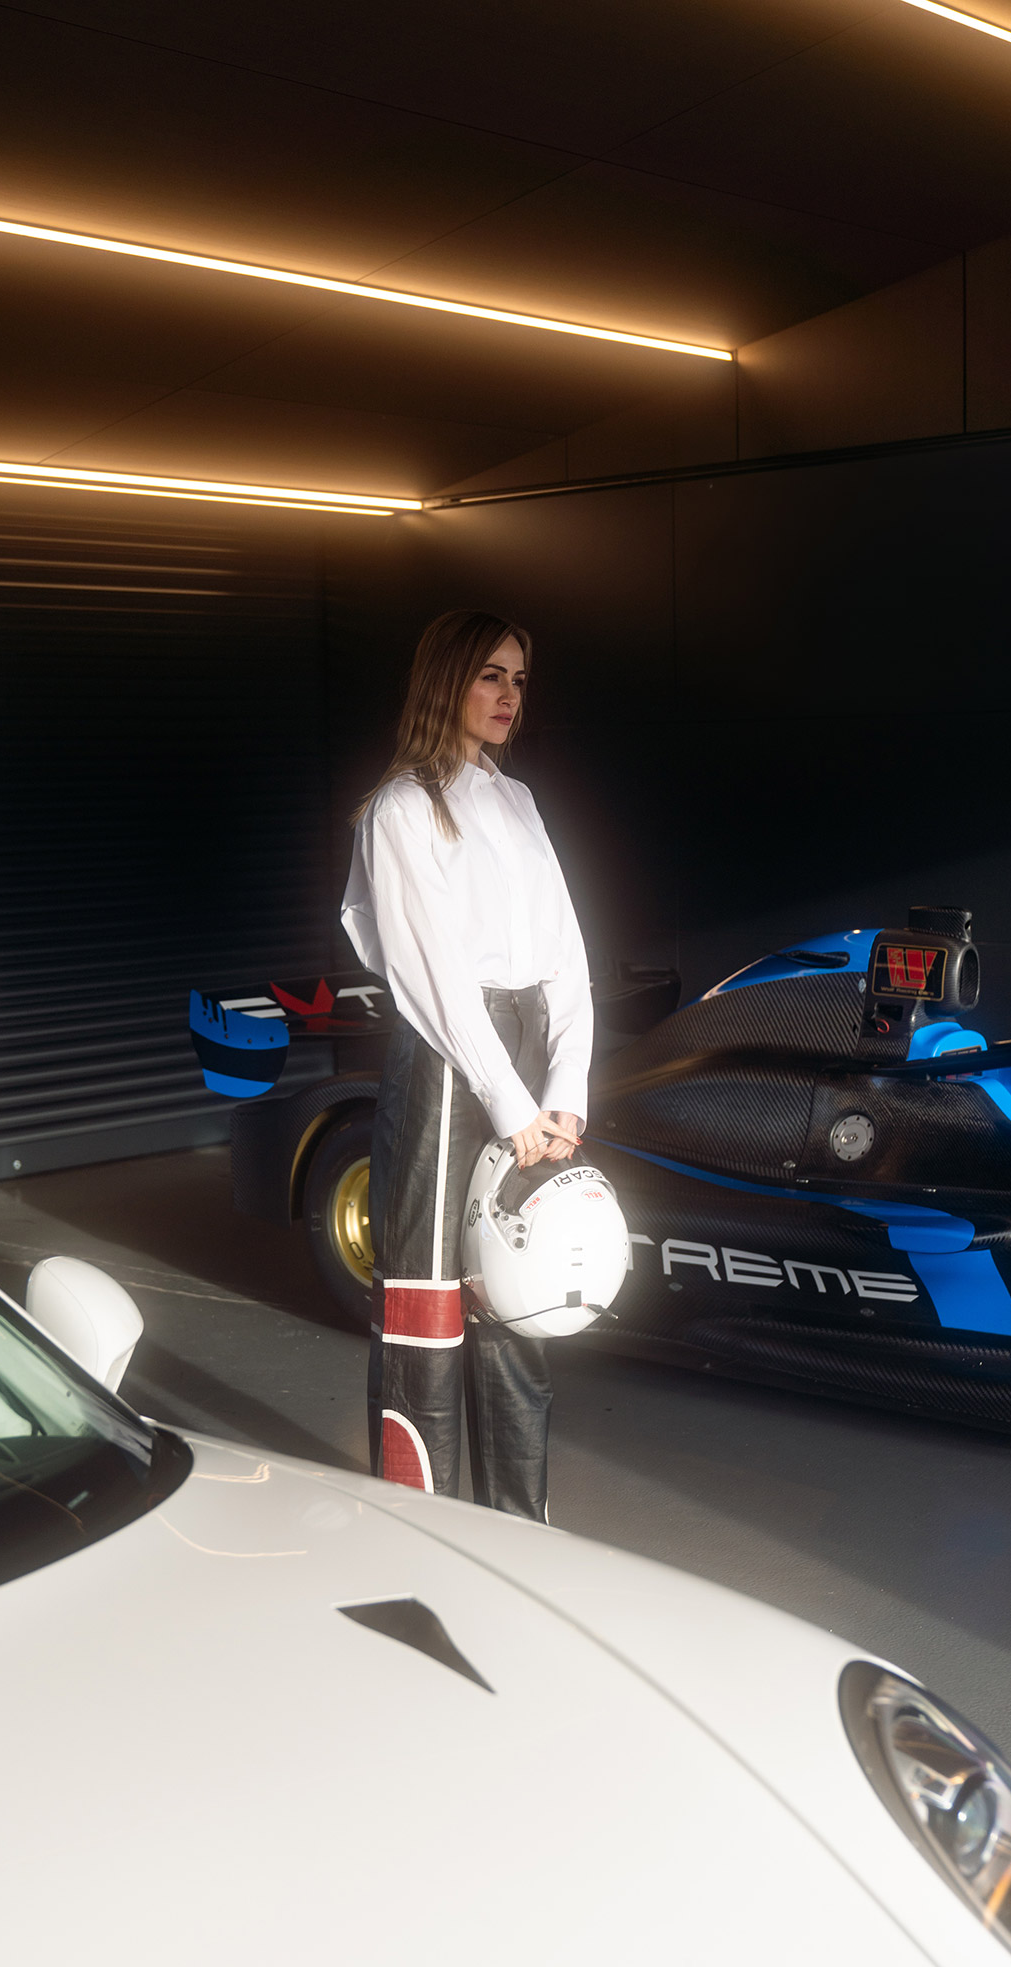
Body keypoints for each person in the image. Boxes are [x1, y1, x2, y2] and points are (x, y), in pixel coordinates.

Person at [341, 608, 593, 1519]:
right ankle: (426, 1527)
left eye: (519, 680)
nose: (508, 696)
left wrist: (565, 1095)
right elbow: (434, 979)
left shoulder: (517, 801)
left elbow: (567, 953)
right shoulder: (403, 808)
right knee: (429, 1304)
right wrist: (508, 1099)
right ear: (446, 680)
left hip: (525, 1064)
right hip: (452, 1062)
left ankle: (522, 1530)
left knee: (516, 1294)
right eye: (490, 675)